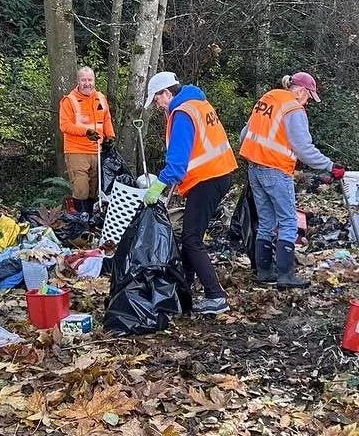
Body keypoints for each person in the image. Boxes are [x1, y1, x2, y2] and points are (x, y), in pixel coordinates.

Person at [142, 71, 239, 315]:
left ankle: (216, 296)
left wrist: (158, 186)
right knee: (190, 236)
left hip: (207, 179)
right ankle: (183, 287)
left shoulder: (183, 113)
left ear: (167, 92)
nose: (157, 104)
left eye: (157, 99)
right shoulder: (198, 103)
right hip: (218, 175)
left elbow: (177, 163)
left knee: (192, 239)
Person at [238, 71, 344, 288]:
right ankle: (286, 276)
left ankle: (265, 271)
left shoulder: (267, 99)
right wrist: (330, 166)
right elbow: (303, 148)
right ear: (302, 91)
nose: (308, 103)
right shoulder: (294, 109)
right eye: (309, 97)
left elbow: (244, 135)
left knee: (266, 222)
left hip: (254, 168)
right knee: (288, 221)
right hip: (276, 170)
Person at [59, 65, 115, 218]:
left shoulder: (100, 98)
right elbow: (65, 125)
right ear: (78, 81)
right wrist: (86, 132)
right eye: (83, 80)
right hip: (76, 150)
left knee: (94, 188)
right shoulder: (69, 101)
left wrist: (110, 137)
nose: (87, 83)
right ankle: (81, 219)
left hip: (96, 150)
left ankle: (90, 219)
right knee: (81, 187)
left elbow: (106, 119)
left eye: (90, 80)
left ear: (94, 81)